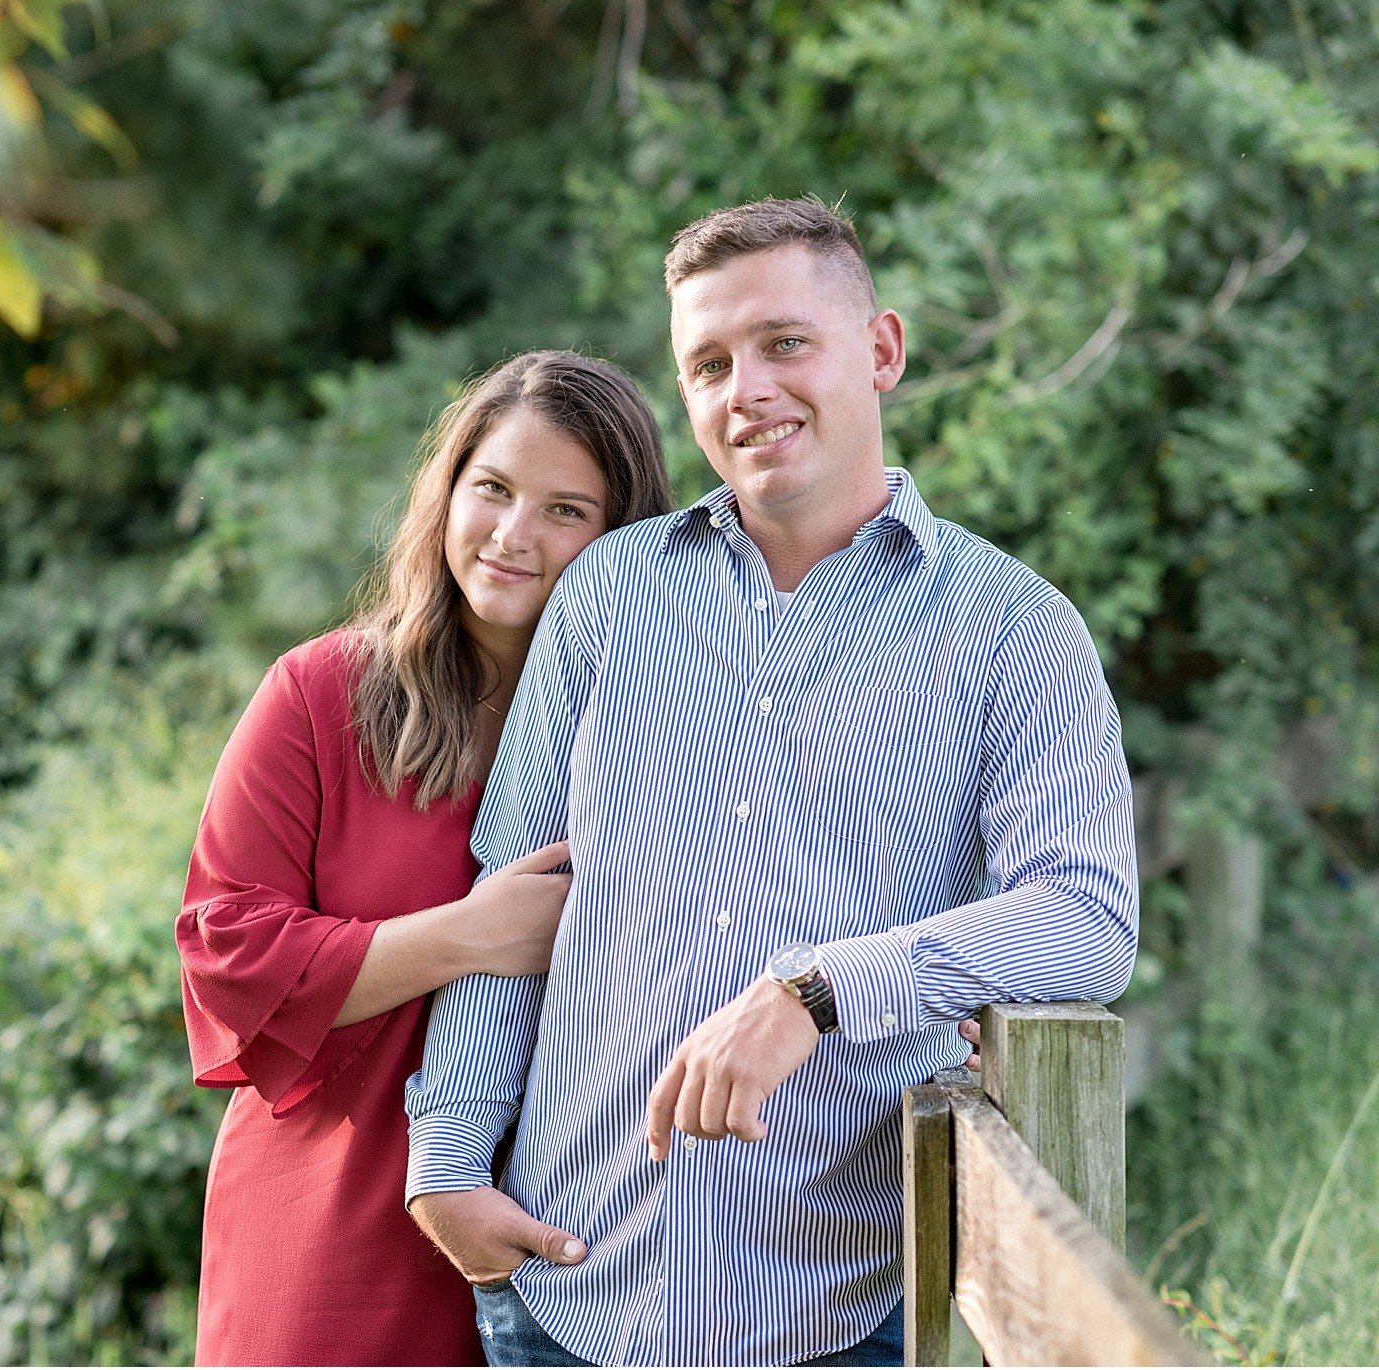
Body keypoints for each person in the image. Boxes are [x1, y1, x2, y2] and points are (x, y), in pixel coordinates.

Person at [404, 197, 1138, 1367]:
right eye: (707, 361)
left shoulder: (1015, 630)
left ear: (881, 349)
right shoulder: (606, 595)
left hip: (836, 1310)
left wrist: (813, 988)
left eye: (783, 342)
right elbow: (514, 896)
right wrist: (445, 1155)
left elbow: (1087, 921)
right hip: (562, 1291)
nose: (745, 388)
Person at [176, 350, 676, 1366]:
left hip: (575, 1246)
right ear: (445, 489)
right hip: (334, 1224)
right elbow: (225, 951)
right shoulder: (320, 694)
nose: (512, 535)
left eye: (565, 510)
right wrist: (470, 935)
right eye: (490, 488)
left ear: (621, 541)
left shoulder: (651, 728)